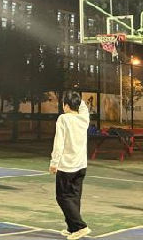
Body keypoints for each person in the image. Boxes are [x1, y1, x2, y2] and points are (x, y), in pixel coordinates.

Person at [49, 90, 91, 240]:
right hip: (81, 165)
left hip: (66, 166)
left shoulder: (63, 119)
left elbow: (59, 142)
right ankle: (73, 228)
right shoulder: (83, 118)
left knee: (62, 197)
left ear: (66, 105)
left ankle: (80, 227)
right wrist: (76, 97)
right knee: (74, 197)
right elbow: (83, 107)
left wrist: (54, 162)